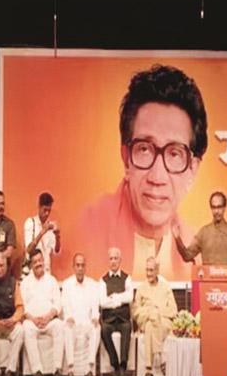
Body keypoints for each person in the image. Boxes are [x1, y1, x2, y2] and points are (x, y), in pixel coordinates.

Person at [83, 65, 208, 280]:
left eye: (175, 154)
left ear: (193, 169)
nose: (157, 177)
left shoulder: (195, 246)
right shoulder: (86, 230)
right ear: (126, 159)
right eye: (144, 149)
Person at [173, 191, 227, 265]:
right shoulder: (203, 233)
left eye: (219, 207)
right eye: (214, 207)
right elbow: (187, 256)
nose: (216, 211)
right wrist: (177, 238)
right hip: (207, 284)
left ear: (224, 208)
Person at [21, 249, 63, 376]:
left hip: (49, 320)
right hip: (33, 321)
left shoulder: (52, 280)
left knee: (59, 326)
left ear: (43, 261)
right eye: (35, 262)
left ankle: (57, 370)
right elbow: (23, 306)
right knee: (26, 328)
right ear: (31, 265)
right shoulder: (25, 283)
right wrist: (33, 319)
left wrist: (49, 316)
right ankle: (37, 372)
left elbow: (58, 304)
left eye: (40, 260)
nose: (38, 264)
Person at [133, 257, 178, 376]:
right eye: (147, 270)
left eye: (151, 270)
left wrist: (157, 312)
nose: (148, 273)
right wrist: (150, 313)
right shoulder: (141, 288)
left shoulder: (165, 287)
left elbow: (173, 310)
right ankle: (162, 358)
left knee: (150, 326)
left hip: (164, 322)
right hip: (146, 319)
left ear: (157, 270)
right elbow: (136, 312)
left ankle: (149, 371)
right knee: (150, 322)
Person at [61, 253, 100, 376]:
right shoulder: (67, 284)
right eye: (77, 265)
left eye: (82, 265)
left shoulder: (92, 284)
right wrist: (69, 317)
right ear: (73, 267)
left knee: (96, 327)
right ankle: (70, 371)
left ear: (85, 267)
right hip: (73, 322)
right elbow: (65, 304)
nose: (80, 268)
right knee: (67, 328)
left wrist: (95, 317)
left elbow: (95, 305)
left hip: (87, 322)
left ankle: (89, 370)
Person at [99, 247, 134, 376]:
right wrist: (119, 301)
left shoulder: (127, 278)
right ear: (108, 260)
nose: (113, 261)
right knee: (104, 330)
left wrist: (114, 297)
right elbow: (102, 302)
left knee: (127, 328)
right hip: (109, 319)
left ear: (120, 260)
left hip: (123, 319)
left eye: (116, 258)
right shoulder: (102, 280)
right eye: (111, 258)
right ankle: (116, 366)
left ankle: (123, 368)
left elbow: (130, 297)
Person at [22, 192, 61, 278]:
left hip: (47, 272)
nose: (47, 213)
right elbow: (28, 250)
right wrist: (43, 231)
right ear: (39, 207)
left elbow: (56, 252)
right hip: (32, 272)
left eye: (49, 210)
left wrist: (58, 236)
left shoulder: (51, 226)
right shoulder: (30, 223)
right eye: (45, 210)